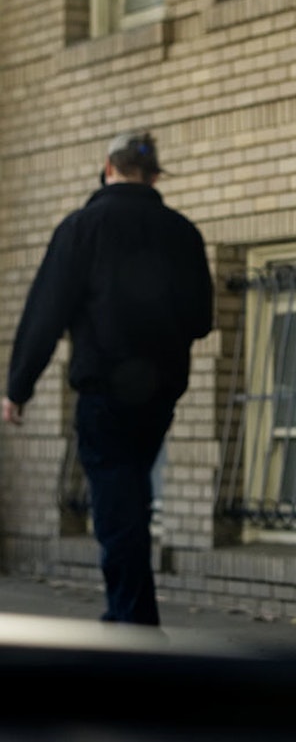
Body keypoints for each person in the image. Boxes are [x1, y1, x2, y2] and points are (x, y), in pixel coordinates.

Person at [2, 130, 213, 626]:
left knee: (117, 500)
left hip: (104, 391)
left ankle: (133, 620)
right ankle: (129, 612)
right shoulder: (184, 233)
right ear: (156, 176)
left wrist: (17, 388)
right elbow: (202, 319)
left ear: (107, 167)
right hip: (160, 392)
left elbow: (45, 313)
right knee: (131, 492)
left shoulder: (82, 228)